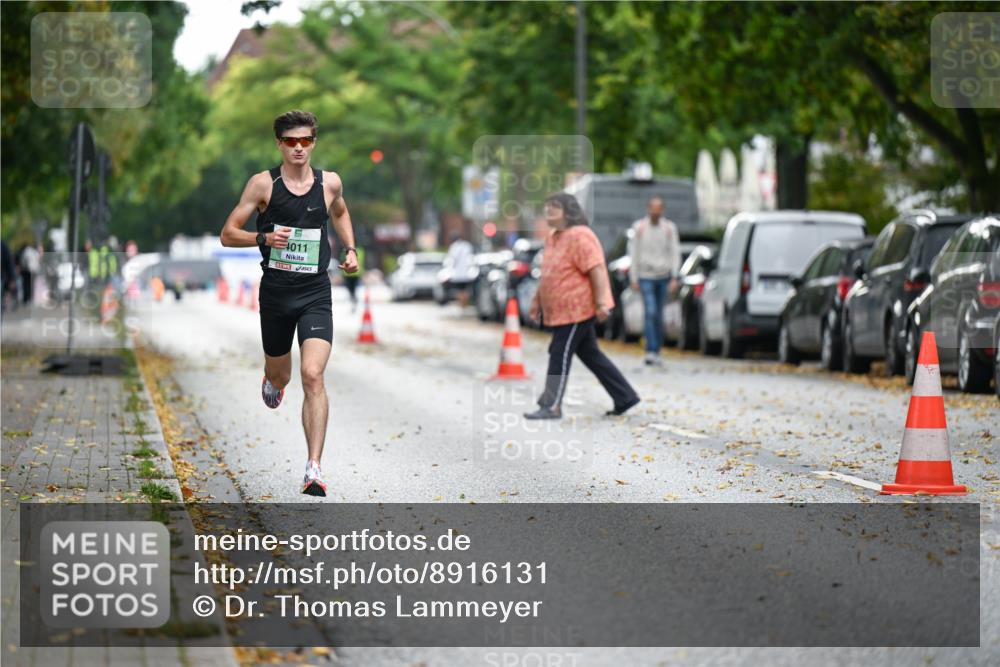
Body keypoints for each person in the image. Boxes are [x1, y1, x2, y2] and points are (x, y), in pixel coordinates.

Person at [220, 110, 358, 497]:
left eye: (306, 141)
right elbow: (228, 234)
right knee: (283, 375)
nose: (299, 148)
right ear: (279, 143)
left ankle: (314, 467)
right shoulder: (263, 184)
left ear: (314, 142)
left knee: (313, 374)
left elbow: (342, 212)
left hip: (315, 292)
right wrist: (263, 239)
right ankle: (272, 378)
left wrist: (350, 249)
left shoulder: (329, 183)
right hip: (277, 294)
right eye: (291, 141)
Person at [524, 193, 640, 420]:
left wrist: (600, 303)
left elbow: (596, 269)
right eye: (546, 207)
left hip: (578, 307)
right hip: (559, 310)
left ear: (569, 212)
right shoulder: (553, 237)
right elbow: (547, 274)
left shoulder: (581, 236)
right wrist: (537, 302)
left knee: (560, 351)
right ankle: (624, 396)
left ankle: (552, 405)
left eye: (554, 208)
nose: (548, 211)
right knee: (590, 354)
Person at [629, 196, 681, 366]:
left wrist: (675, 276)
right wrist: (634, 278)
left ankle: (657, 349)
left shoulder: (669, 228)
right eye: (653, 207)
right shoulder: (640, 228)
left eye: (659, 208)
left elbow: (675, 252)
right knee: (650, 311)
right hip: (645, 276)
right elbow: (633, 254)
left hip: (664, 276)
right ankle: (650, 350)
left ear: (662, 210)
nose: (656, 211)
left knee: (658, 314)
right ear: (648, 209)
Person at [445, 232, 475, 307]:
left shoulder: (453, 247)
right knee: (465, 291)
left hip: (458, 274)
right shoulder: (467, 245)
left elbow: (451, 260)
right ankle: (465, 305)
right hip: (467, 273)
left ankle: (462, 306)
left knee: (460, 292)